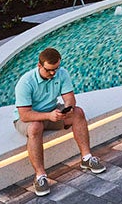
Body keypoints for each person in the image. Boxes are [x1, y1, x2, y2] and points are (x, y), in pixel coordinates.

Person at [14, 47, 106, 197]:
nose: (53, 73)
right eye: (49, 70)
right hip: (30, 118)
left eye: (56, 69)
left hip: (52, 112)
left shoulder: (61, 73)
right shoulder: (25, 82)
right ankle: (40, 176)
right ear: (39, 66)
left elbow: (70, 98)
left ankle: (87, 158)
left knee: (78, 113)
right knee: (35, 128)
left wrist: (68, 108)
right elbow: (24, 115)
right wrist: (48, 116)